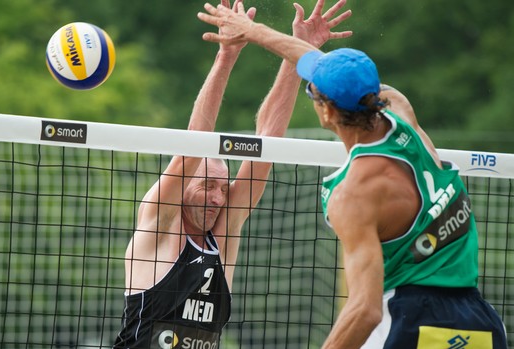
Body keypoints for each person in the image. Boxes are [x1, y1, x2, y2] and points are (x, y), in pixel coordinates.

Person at [198, 3, 509, 349]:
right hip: (480, 323)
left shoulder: (352, 194)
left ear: (327, 110)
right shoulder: (399, 110)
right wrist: (254, 31)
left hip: (411, 323)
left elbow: (365, 310)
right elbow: (316, 65)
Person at [113, 0, 352, 347]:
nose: (217, 197)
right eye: (207, 185)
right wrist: (226, 57)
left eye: (223, 188)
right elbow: (194, 144)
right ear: (182, 188)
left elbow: (268, 142)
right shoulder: (160, 223)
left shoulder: (223, 233)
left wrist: (299, 56)